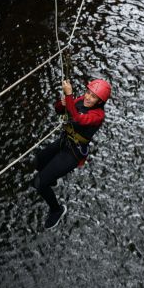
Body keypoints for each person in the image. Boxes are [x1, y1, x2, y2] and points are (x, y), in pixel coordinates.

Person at [32, 77, 111, 229]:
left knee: (39, 184)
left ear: (100, 102)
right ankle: (51, 179)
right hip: (64, 141)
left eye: (93, 97)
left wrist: (68, 96)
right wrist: (61, 104)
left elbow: (77, 119)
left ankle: (56, 210)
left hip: (73, 153)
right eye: (88, 92)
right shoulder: (81, 100)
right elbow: (60, 111)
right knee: (38, 162)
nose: (88, 97)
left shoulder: (98, 116)